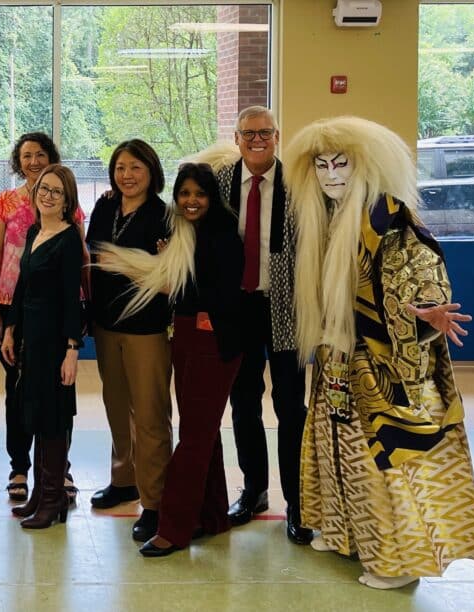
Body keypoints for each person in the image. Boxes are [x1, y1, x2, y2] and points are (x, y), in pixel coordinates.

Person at [284, 115, 474, 589]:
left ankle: (395, 559)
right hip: (334, 356)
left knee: (378, 458)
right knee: (331, 446)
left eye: (342, 164)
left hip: (376, 363)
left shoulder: (392, 221)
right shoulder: (327, 216)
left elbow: (418, 276)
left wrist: (425, 313)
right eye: (321, 165)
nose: (331, 174)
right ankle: (343, 532)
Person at [94, 160, 245, 556]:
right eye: (185, 194)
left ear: (212, 197)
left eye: (199, 194)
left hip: (216, 342)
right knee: (203, 432)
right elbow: (175, 288)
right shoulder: (182, 233)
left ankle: (172, 528)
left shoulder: (224, 234)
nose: (191, 201)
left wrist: (157, 271)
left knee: (193, 438)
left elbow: (199, 291)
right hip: (187, 337)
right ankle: (211, 517)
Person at [199, 106, 311, 544]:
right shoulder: (222, 182)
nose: (257, 139)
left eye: (265, 132)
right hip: (237, 308)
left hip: (286, 307)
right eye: (249, 133)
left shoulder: (299, 183)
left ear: (277, 136)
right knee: (243, 405)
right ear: (237, 136)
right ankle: (254, 491)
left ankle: (299, 504)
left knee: (290, 408)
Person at [0, 133, 84, 502]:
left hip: (55, 311)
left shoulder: (67, 205)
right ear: (18, 161)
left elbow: (78, 262)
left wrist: (74, 336)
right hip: (15, 308)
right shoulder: (6, 203)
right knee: (18, 391)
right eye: (26, 155)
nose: (33, 161)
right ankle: (19, 466)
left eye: (40, 154)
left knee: (58, 393)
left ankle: (59, 468)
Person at [86, 139, 172, 542]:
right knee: (116, 407)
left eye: (135, 167)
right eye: (120, 167)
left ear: (151, 171)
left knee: (151, 416)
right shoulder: (105, 207)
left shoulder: (165, 216)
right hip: (106, 325)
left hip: (147, 330)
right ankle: (125, 480)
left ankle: (155, 501)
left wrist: (132, 265)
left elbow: (168, 277)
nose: (127, 175)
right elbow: (93, 258)